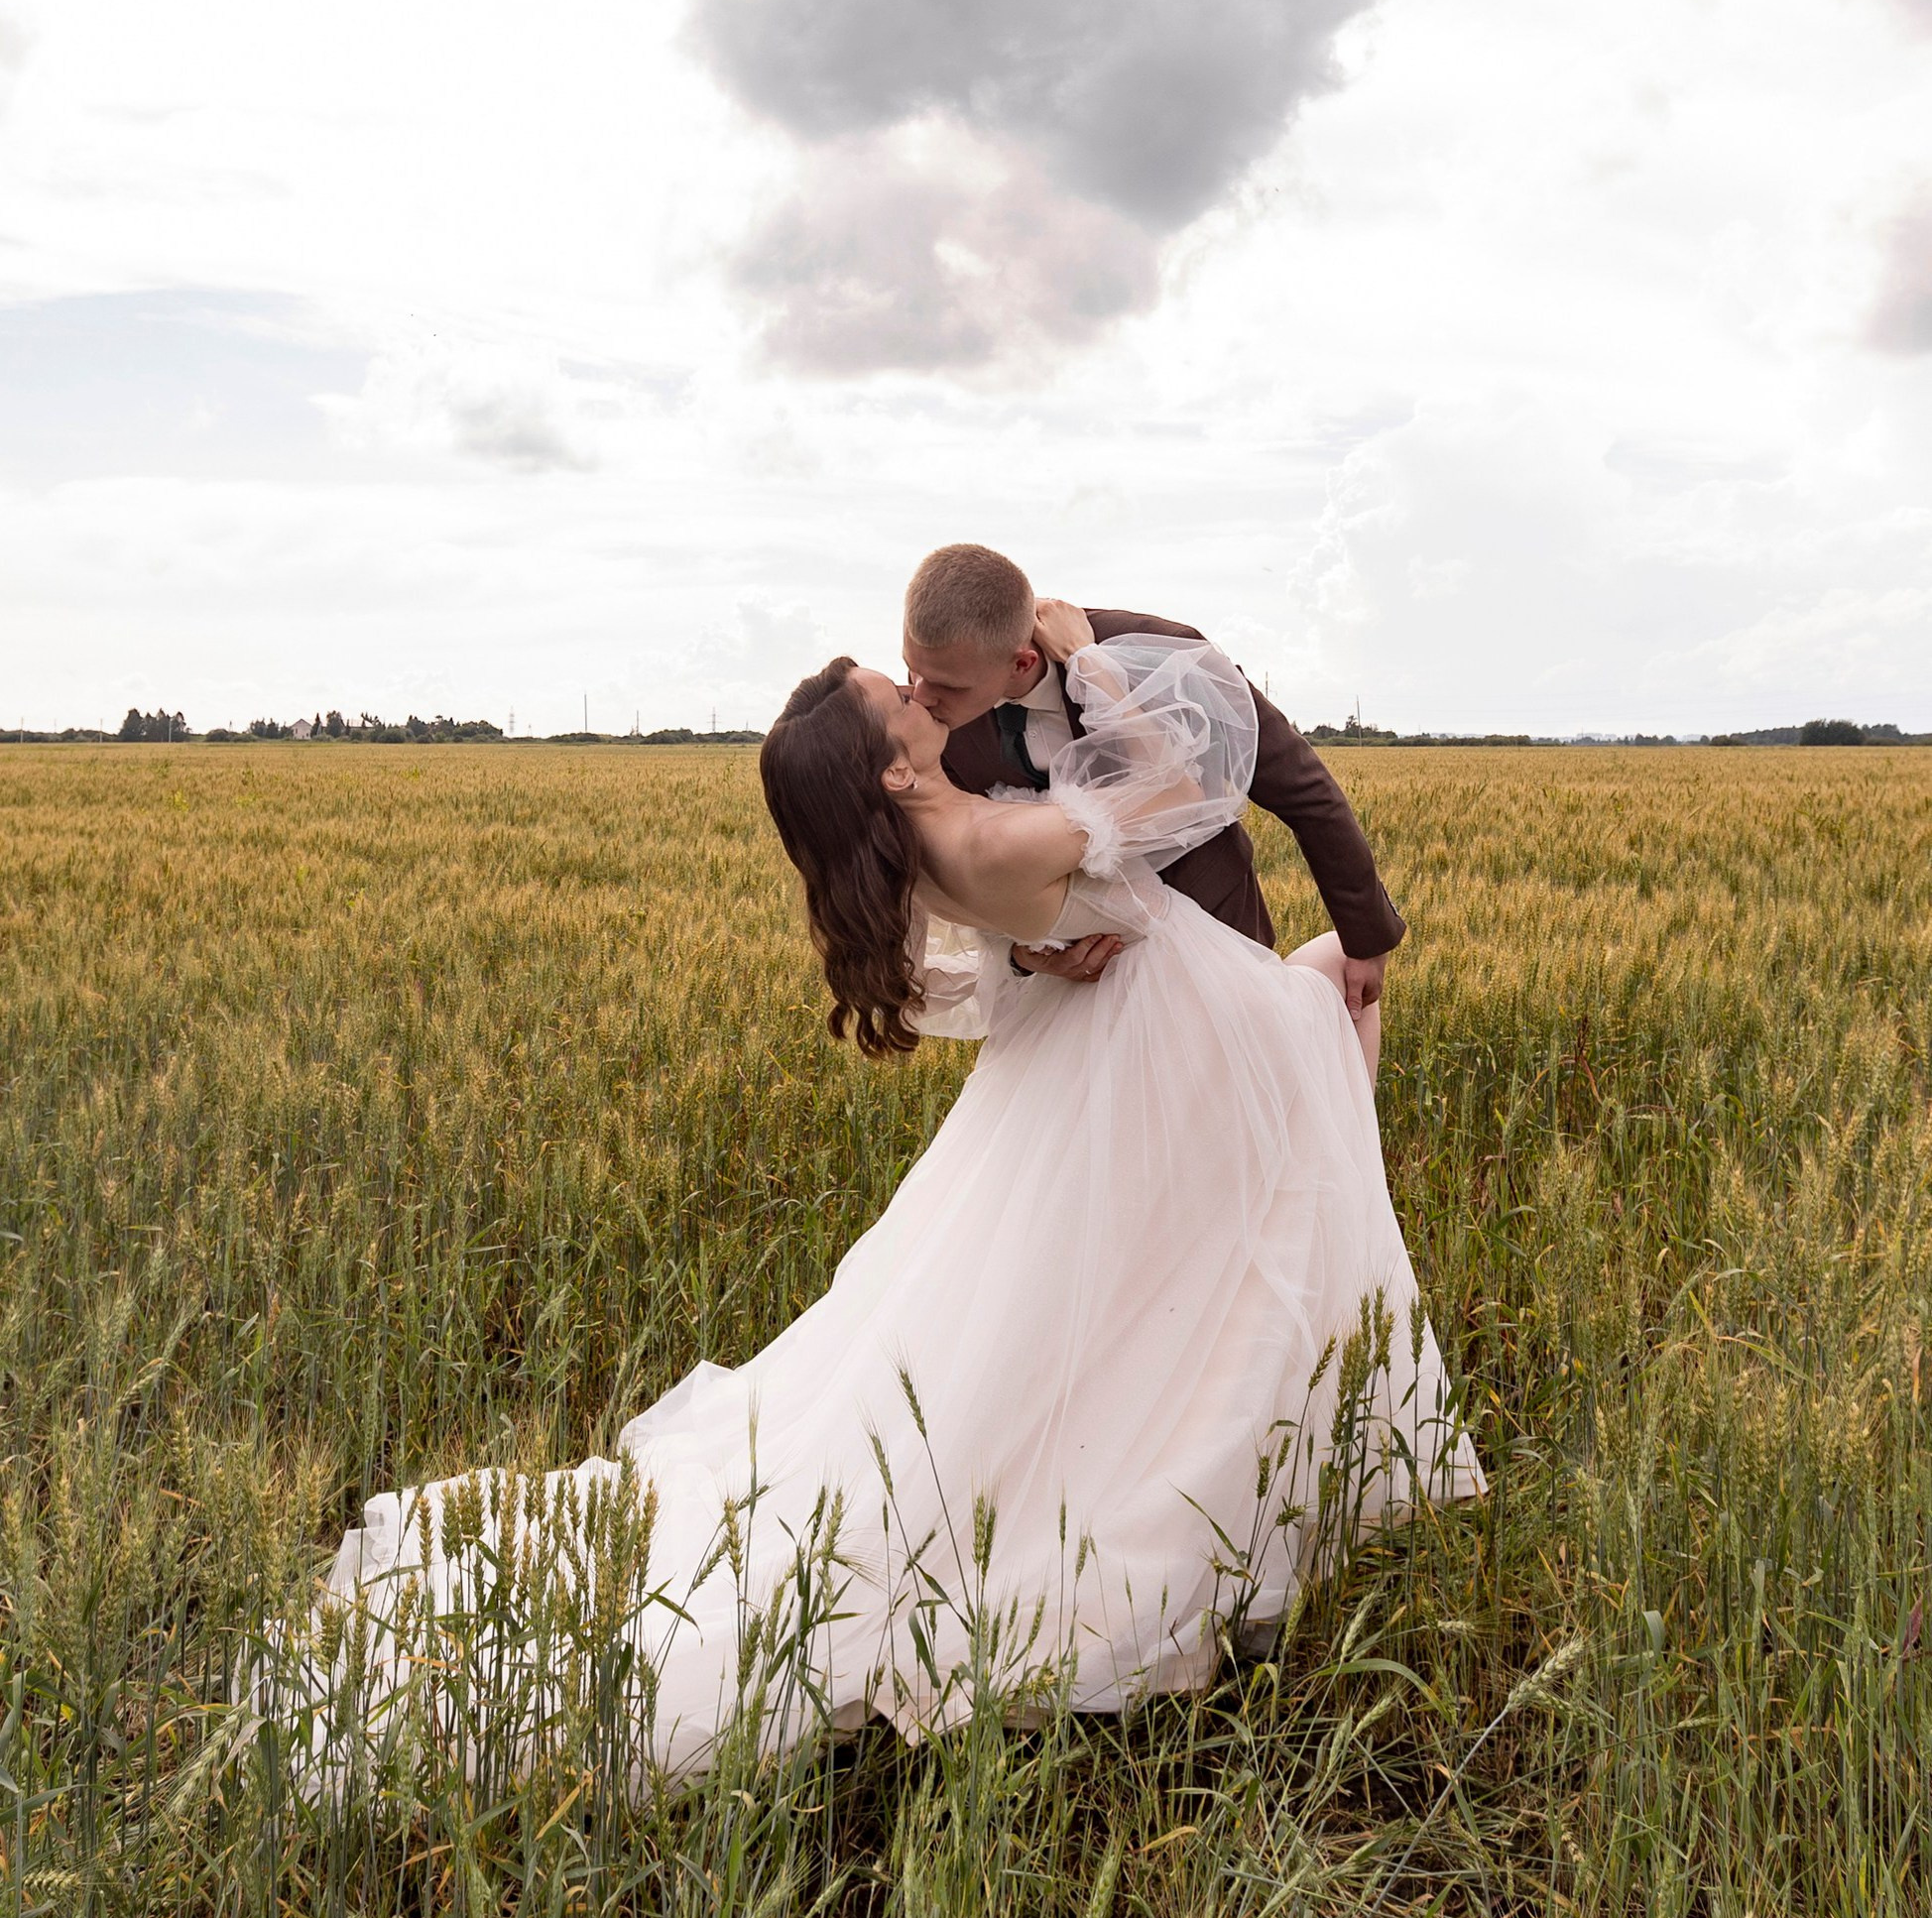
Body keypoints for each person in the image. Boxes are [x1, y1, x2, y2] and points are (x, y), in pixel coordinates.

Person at [286, 603, 1481, 1790]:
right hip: (1148, 1035)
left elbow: (1021, 907)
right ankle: (1222, 1504)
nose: (920, 692)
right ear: (894, 761)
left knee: (1146, 1278)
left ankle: (1252, 1459)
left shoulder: (947, 829)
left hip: (1095, 1043)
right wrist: (1079, 657)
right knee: (1290, 1110)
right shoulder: (987, 842)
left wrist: (1034, 946)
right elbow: (1173, 789)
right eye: (899, 697)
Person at [903, 540, 1403, 1046]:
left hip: (1210, 942)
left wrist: (1365, 938)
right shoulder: (934, 714)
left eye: (945, 686)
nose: (920, 698)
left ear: (1020, 662)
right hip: (1071, 998)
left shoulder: (1166, 650)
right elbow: (968, 868)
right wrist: (1020, 957)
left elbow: (1301, 787)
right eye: (911, 670)